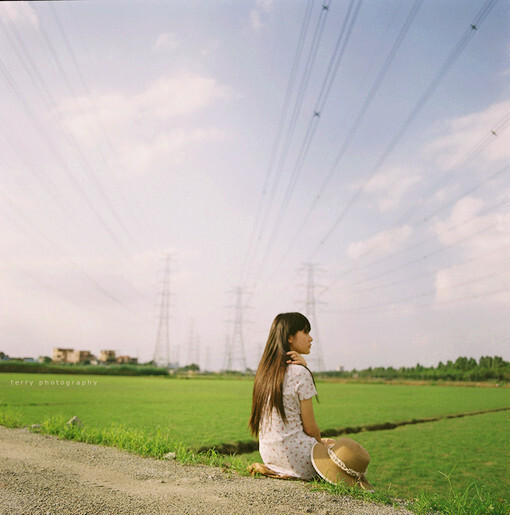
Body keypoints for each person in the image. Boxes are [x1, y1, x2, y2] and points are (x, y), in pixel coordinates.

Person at [248, 312, 334, 480]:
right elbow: (310, 427)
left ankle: (277, 470)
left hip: (269, 454)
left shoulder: (265, 373)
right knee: (339, 449)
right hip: (297, 459)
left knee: (327, 443)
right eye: (306, 332)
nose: (311, 339)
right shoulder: (300, 372)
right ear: (289, 338)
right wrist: (319, 445)